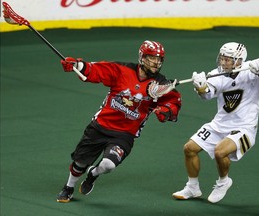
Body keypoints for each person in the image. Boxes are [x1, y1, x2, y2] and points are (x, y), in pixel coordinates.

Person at [56, 40, 182, 203]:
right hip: (100, 126)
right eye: (152, 58)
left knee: (108, 165)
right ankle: (69, 187)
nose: (156, 63)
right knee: (79, 163)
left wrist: (166, 111)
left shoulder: (162, 85)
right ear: (142, 57)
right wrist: (77, 65)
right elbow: (96, 70)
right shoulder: (121, 70)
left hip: (124, 134)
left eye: (159, 59)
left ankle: (93, 173)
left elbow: (174, 102)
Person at [172, 42, 259, 203]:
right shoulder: (216, 74)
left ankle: (223, 182)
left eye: (228, 59)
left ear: (239, 60)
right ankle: (192, 187)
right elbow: (207, 95)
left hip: (245, 128)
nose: (223, 62)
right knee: (189, 148)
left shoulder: (253, 70)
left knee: (220, 151)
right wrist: (201, 87)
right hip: (219, 125)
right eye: (222, 58)